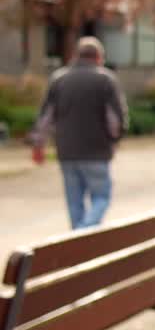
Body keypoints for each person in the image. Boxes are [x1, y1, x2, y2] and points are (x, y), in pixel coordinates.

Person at [30, 36, 129, 229]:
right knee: (101, 196)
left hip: (67, 151)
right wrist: (116, 139)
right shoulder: (105, 79)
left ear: (75, 56)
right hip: (96, 151)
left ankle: (77, 240)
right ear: (99, 57)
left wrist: (38, 144)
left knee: (73, 202)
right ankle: (85, 232)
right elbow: (115, 120)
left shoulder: (59, 79)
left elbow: (46, 117)